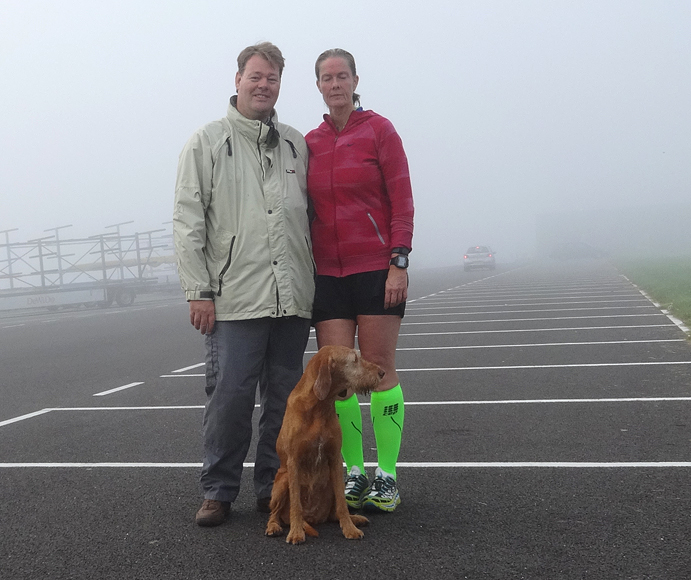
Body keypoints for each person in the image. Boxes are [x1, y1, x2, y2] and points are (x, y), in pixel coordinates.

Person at [173, 42, 315, 527]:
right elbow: (188, 221)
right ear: (237, 80)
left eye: (272, 78)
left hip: (292, 299)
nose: (263, 85)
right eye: (255, 76)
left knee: (285, 403)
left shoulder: (295, 144)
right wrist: (198, 290)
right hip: (234, 298)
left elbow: (310, 218)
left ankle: (274, 488)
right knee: (229, 400)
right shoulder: (208, 142)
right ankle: (218, 490)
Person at [305, 48, 414, 513]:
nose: (335, 84)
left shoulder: (379, 130)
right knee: (338, 379)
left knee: (379, 368)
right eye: (327, 78)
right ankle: (353, 472)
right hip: (327, 274)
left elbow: (402, 198)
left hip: (376, 267)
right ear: (318, 85)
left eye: (342, 76)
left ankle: (386, 476)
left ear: (354, 80)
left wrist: (399, 260)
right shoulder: (309, 142)